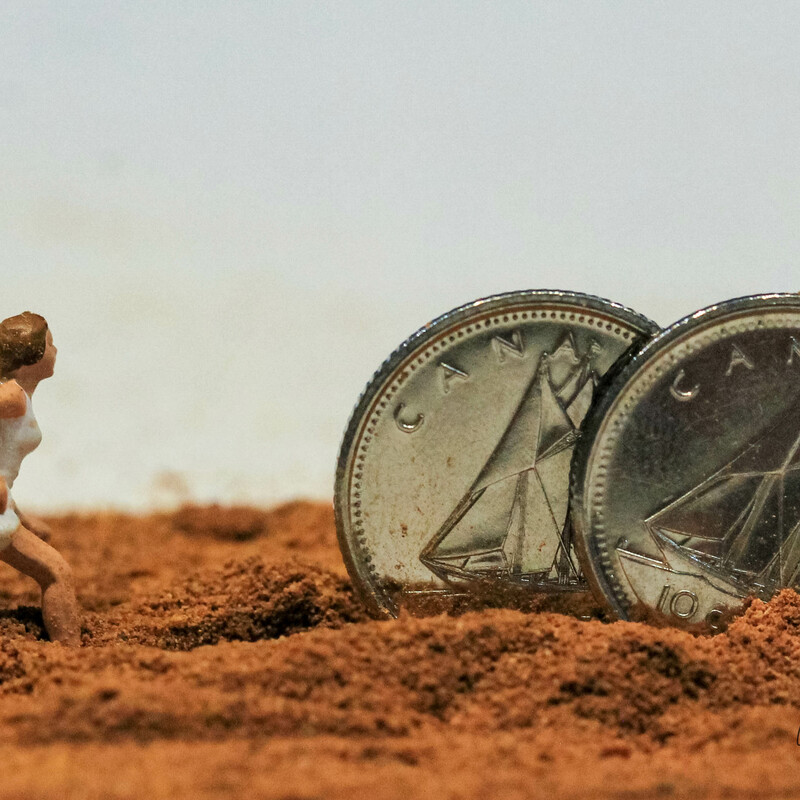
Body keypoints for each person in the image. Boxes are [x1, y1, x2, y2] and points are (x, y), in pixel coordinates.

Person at [0, 312, 79, 645]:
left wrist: (22, 517)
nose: (55, 349)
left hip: (5, 504)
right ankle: (70, 659)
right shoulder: (12, 398)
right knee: (56, 573)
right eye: (48, 344)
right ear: (29, 356)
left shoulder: (19, 394)